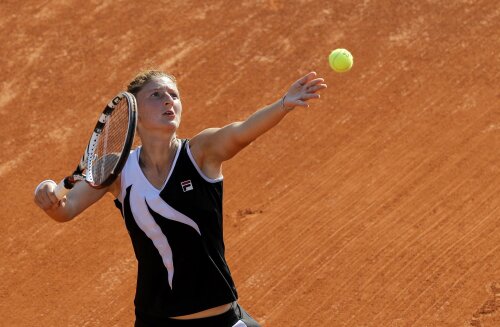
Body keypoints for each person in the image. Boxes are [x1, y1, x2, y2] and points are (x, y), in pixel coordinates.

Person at [34, 70, 327, 326]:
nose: (168, 100)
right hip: (156, 320)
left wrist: (283, 104)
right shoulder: (117, 169)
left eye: (174, 95)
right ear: (134, 114)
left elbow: (241, 131)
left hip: (221, 320)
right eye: (156, 95)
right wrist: (47, 193)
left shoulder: (201, 152)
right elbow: (66, 209)